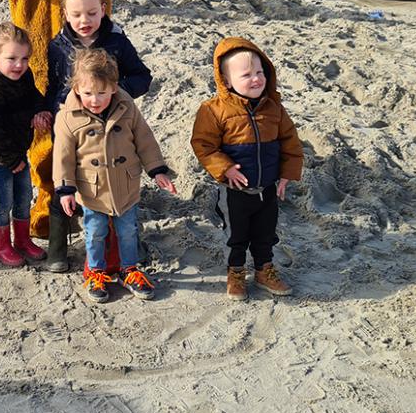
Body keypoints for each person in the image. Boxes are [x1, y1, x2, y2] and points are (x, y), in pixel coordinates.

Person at [43, 0, 154, 272]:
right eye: (76, 14)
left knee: (114, 186)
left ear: (104, 9)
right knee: (63, 181)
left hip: (112, 129)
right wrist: (49, 110)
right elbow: (53, 86)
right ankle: (58, 248)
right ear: (65, 13)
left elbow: (143, 76)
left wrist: (117, 94)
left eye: (92, 13)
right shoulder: (58, 45)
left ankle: (124, 246)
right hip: (72, 127)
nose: (85, 20)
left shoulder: (117, 42)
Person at [54, 49, 176, 304]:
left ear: (114, 87)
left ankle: (128, 269)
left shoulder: (126, 105)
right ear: (76, 87)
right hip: (92, 190)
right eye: (87, 93)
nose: (95, 100)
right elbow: (63, 156)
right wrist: (65, 189)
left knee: (128, 231)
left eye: (102, 92)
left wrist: (157, 170)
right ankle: (96, 272)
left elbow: (145, 140)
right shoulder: (67, 116)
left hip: (126, 186)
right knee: (95, 232)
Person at [191, 37, 304, 301]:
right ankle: (236, 273)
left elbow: (290, 141)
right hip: (235, 190)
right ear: (227, 81)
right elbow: (203, 145)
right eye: (247, 75)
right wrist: (226, 168)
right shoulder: (213, 110)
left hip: (267, 186)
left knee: (266, 233)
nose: (256, 79)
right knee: (237, 235)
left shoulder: (274, 107)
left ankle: (265, 270)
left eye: (260, 72)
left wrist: (288, 173)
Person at [0, 23, 52, 267]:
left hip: (19, 151)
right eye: (11, 58)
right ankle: (2, 245)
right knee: (3, 201)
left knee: (24, 197)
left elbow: (35, 97)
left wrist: (41, 111)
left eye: (25, 58)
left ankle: (23, 240)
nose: (20, 65)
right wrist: (10, 160)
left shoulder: (24, 76)